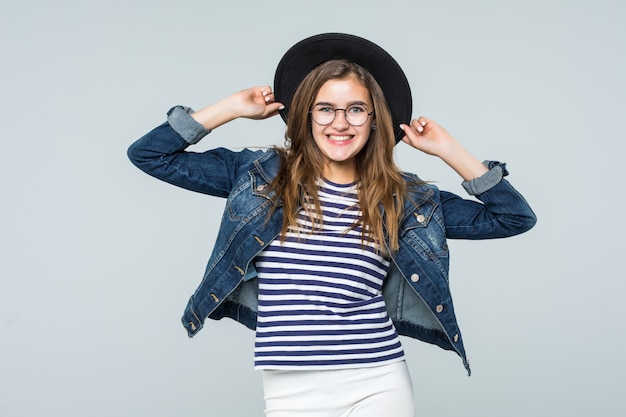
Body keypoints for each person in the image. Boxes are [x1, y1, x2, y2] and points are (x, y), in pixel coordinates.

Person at [127, 33, 536, 417]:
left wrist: (449, 150)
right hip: (289, 388)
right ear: (305, 115)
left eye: (356, 109)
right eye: (325, 108)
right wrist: (230, 108)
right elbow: (150, 155)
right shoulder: (258, 177)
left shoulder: (405, 199)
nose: (340, 123)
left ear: (375, 119)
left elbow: (513, 217)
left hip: (377, 380)